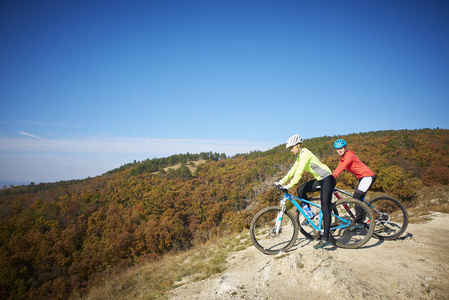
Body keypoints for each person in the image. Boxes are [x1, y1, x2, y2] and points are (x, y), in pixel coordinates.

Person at [276, 134, 336, 249]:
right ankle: (310, 216)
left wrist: (289, 185)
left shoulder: (305, 153)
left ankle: (326, 238)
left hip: (328, 179)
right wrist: (281, 181)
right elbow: (293, 170)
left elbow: (299, 172)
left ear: (298, 145)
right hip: (320, 179)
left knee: (325, 207)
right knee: (301, 190)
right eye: (290, 149)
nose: (291, 150)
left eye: (292, 148)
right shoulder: (299, 156)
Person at [332, 139, 376, 223]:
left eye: (341, 148)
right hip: (363, 178)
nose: (339, 150)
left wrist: (333, 177)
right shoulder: (342, 158)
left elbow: (343, 167)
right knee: (358, 199)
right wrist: (331, 177)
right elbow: (338, 168)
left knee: (356, 198)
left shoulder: (349, 155)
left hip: (367, 176)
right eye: (337, 149)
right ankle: (362, 218)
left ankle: (360, 221)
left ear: (345, 148)